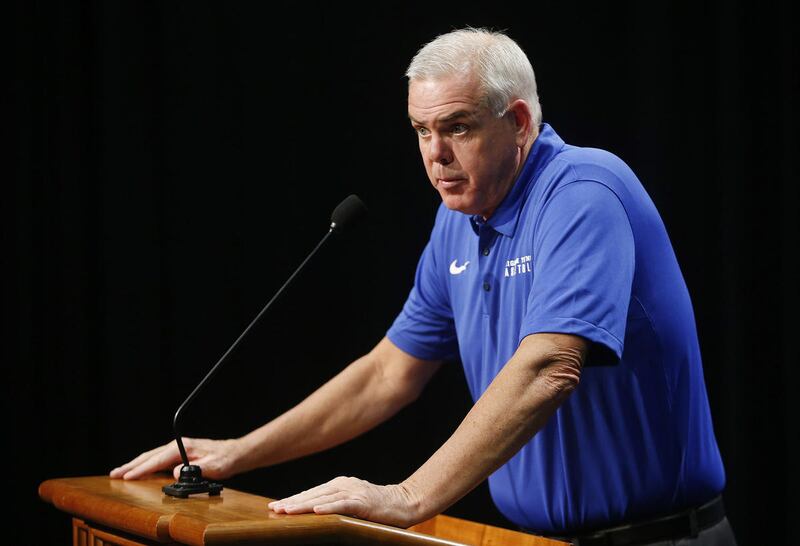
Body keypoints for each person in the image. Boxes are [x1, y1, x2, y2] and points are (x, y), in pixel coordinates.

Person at [111, 28, 736, 545]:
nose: (434, 154)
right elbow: (389, 373)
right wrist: (239, 453)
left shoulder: (582, 190)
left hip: (661, 538)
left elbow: (551, 366)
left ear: (518, 122)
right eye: (420, 131)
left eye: (457, 127)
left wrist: (409, 495)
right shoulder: (456, 223)